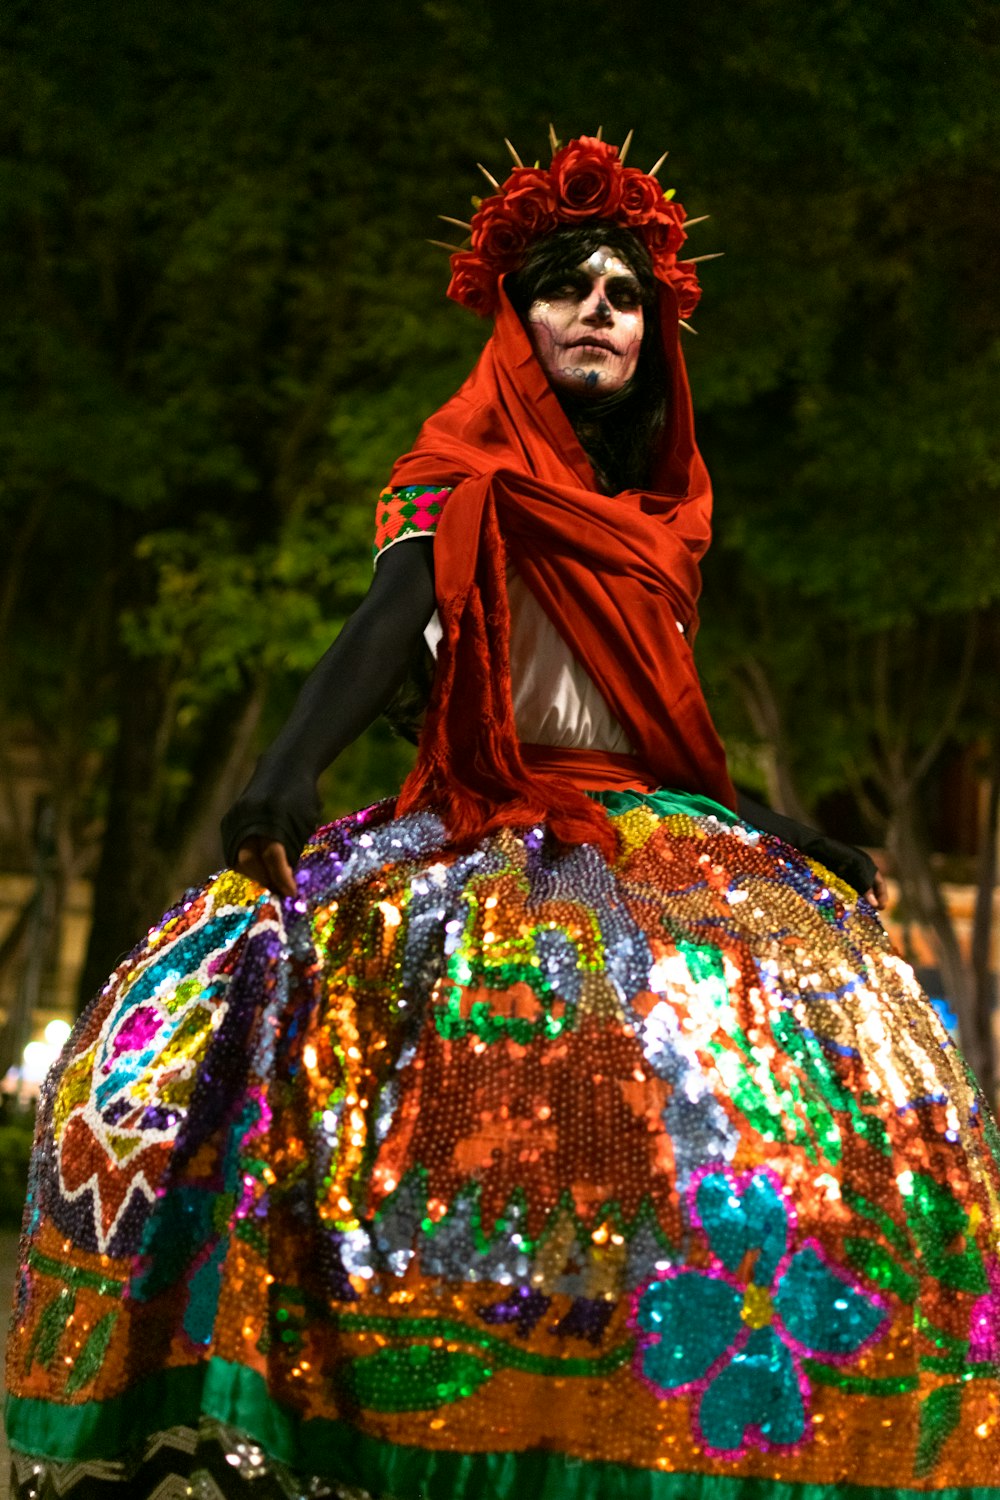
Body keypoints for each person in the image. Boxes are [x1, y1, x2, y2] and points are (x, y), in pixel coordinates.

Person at [6, 133, 999, 1500]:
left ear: (656, 334)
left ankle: (690, 1430)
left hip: (655, 832)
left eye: (625, 292)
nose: (600, 307)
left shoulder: (660, 519)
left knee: (750, 1118)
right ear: (513, 317)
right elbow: (390, 620)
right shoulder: (455, 473)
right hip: (484, 824)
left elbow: (649, 726)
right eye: (566, 284)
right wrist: (288, 767)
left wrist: (782, 822)